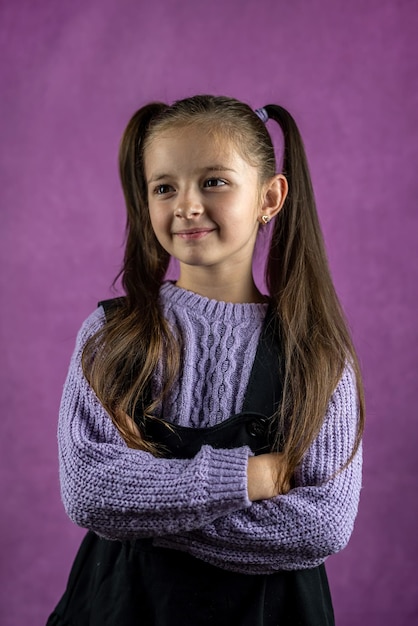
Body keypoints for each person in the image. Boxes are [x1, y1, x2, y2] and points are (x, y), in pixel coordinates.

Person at [47, 95, 364, 626]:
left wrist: (140, 508)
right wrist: (245, 480)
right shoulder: (110, 336)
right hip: (119, 607)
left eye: (214, 182)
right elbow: (88, 490)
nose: (187, 205)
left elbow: (321, 526)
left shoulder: (318, 356)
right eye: (164, 187)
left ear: (270, 196)